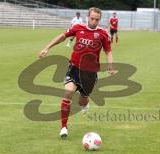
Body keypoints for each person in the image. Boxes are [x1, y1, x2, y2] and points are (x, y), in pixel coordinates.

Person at [38, 7, 114, 138]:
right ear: (87, 17)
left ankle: (85, 101)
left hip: (89, 73)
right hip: (74, 68)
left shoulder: (103, 34)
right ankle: (63, 128)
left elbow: (108, 51)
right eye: (92, 18)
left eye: (97, 19)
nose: (94, 21)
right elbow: (63, 36)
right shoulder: (78, 27)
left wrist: (110, 65)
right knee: (67, 93)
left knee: (82, 101)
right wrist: (47, 48)